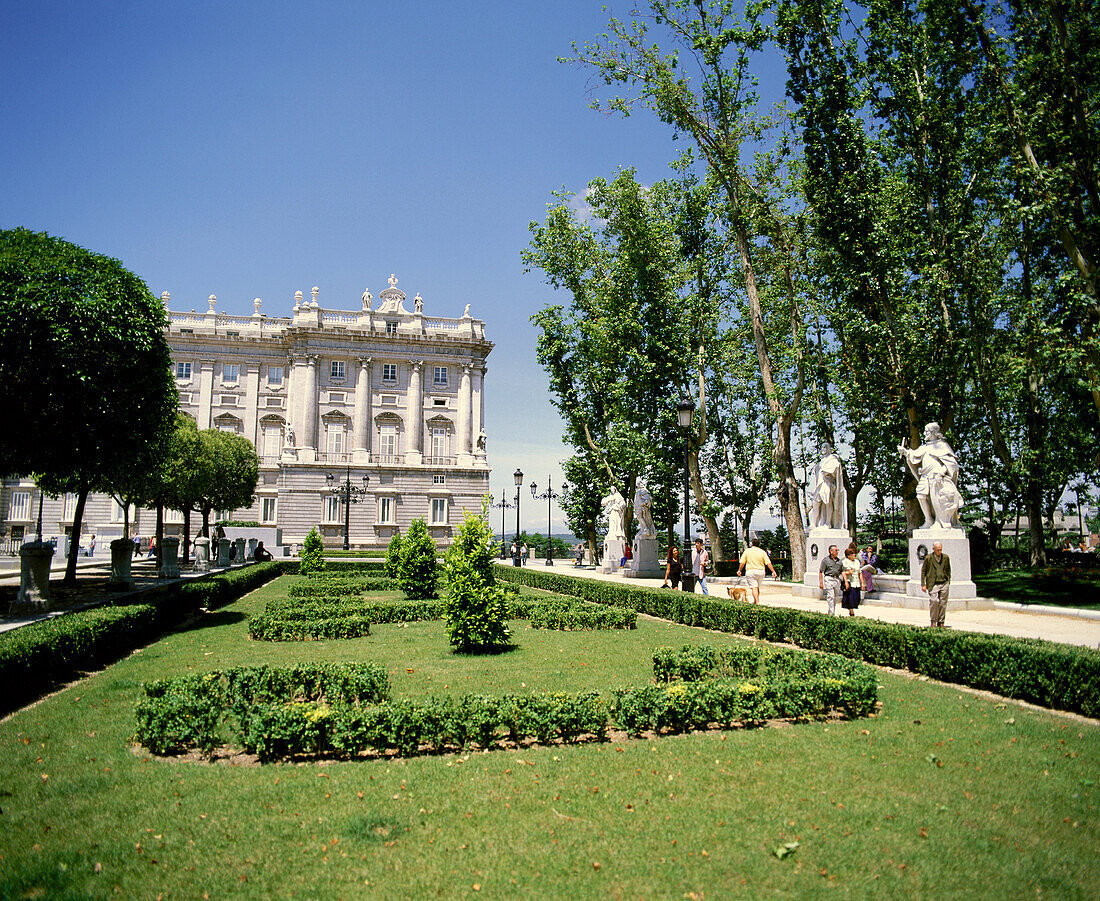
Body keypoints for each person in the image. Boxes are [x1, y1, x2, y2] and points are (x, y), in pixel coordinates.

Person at [898, 423, 962, 529]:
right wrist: (905, 452)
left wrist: (942, 471)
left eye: (926, 431)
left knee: (936, 498)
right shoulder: (925, 447)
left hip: (937, 476)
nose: (924, 434)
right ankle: (928, 519)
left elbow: (952, 464)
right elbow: (914, 455)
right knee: (920, 495)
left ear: (933, 432)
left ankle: (939, 520)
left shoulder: (942, 445)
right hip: (925, 475)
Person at [809, 443, 847, 530]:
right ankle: (814, 524)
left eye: (826, 447)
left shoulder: (832, 459)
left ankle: (828, 523)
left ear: (830, 449)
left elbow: (834, 468)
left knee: (827, 502)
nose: (823, 449)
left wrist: (825, 470)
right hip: (820, 484)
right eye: (822, 447)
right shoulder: (821, 461)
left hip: (827, 483)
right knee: (816, 503)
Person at [737, 538, 779, 604]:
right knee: (757, 587)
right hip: (761, 571)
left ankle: (757, 602)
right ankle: (755, 600)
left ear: (752, 544)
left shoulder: (747, 551)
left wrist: (739, 570)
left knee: (754, 587)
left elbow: (742, 562)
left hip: (751, 571)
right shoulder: (762, 552)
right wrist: (773, 571)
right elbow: (768, 563)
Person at [920, 541, 951, 627]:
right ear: (933, 549)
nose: (939, 552)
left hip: (944, 583)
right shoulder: (928, 558)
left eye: (940, 550)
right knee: (934, 601)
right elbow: (923, 571)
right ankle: (933, 621)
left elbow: (948, 570)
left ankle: (941, 622)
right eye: (937, 550)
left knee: (943, 603)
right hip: (933, 584)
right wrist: (923, 584)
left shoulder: (945, 557)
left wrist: (948, 581)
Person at [818, 544, 844, 616]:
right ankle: (832, 613)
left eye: (837, 550)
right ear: (831, 551)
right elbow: (821, 571)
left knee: (835, 597)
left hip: (837, 579)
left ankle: (831, 611)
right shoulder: (826, 560)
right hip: (829, 578)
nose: (837, 552)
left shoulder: (839, 561)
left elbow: (842, 571)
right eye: (836, 550)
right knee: (830, 596)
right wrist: (821, 583)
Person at [841, 545, 861, 616]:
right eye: (852, 554)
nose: (854, 555)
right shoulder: (845, 562)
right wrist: (846, 581)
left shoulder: (857, 561)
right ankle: (851, 611)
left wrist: (863, 583)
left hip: (856, 582)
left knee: (857, 597)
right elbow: (843, 572)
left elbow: (859, 572)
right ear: (848, 555)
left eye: (854, 553)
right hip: (850, 581)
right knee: (850, 598)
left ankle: (852, 609)